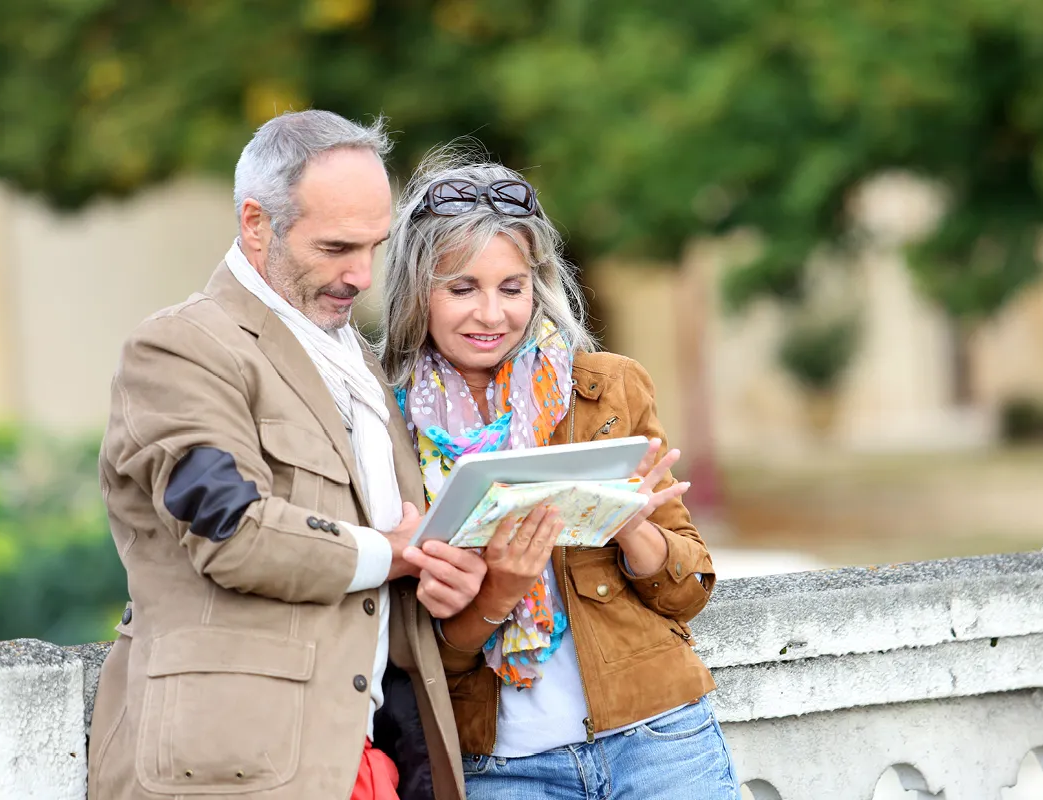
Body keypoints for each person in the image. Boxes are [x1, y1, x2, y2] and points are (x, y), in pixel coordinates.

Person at [85, 111, 491, 800]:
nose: (362, 275)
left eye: (375, 247)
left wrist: (439, 576)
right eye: (335, 247)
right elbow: (231, 532)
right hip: (233, 769)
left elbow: (390, 566)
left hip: (375, 758)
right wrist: (394, 552)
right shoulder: (181, 348)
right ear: (256, 224)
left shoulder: (357, 360)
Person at [376, 151, 740, 799]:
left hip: (659, 739)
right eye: (462, 288)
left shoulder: (607, 389)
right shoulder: (383, 426)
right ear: (415, 292)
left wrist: (631, 526)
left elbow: (689, 593)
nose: (492, 314)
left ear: (536, 286)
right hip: (502, 768)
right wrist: (499, 593)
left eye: (511, 288)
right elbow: (422, 660)